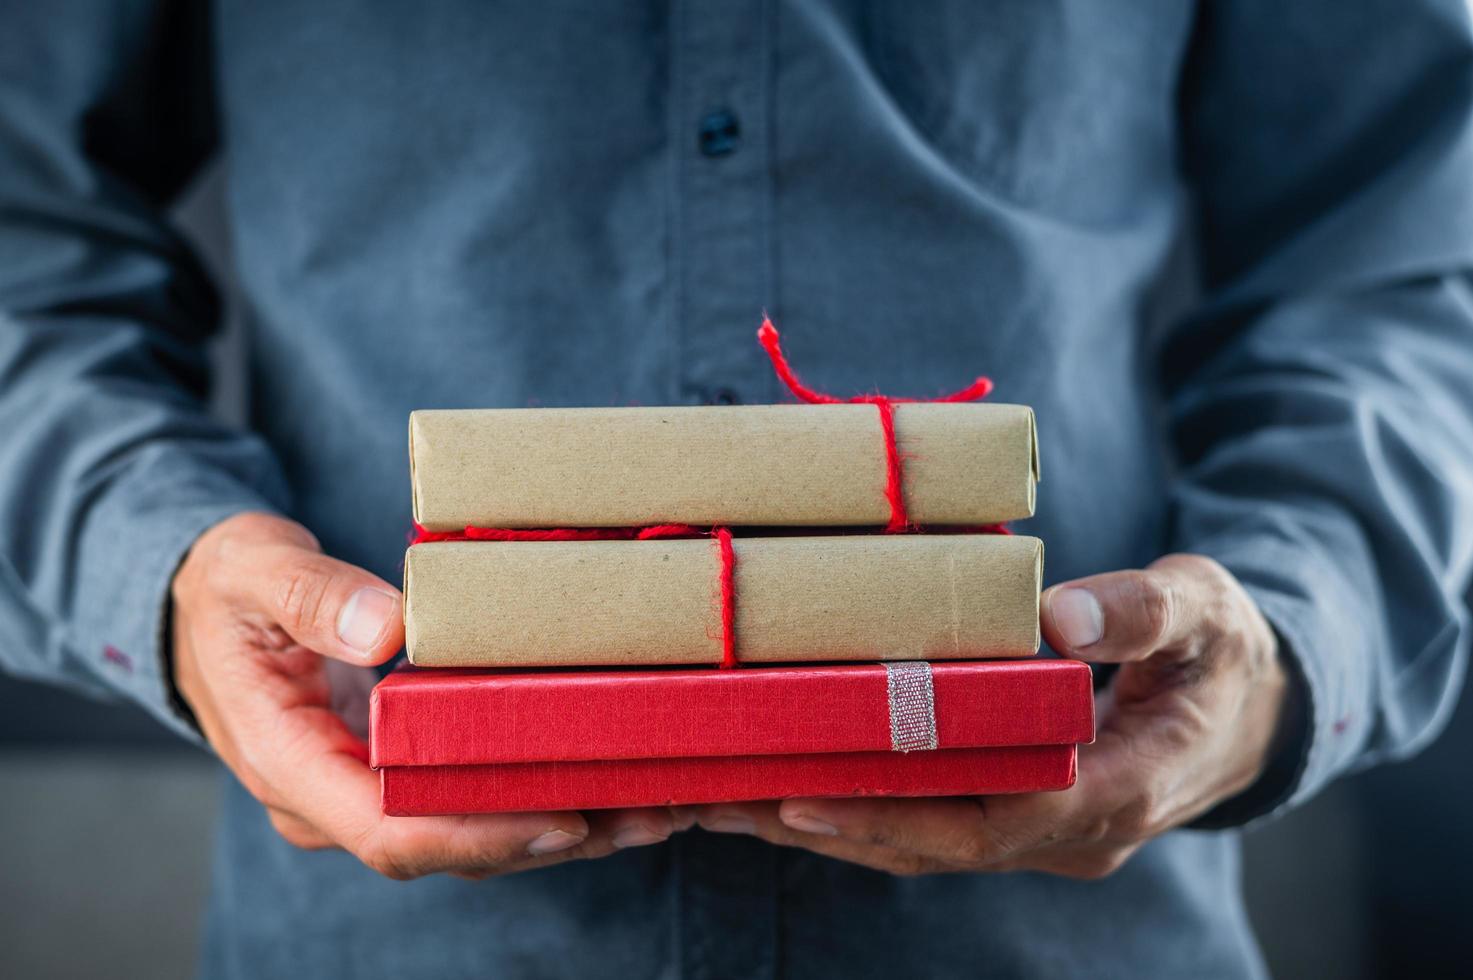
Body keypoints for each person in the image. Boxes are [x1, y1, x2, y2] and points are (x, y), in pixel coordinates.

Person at [3, 2, 1472, 977]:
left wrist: (1287, 636)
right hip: (396, 918)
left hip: (1057, 902)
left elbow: (1397, 255)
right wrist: (163, 559)